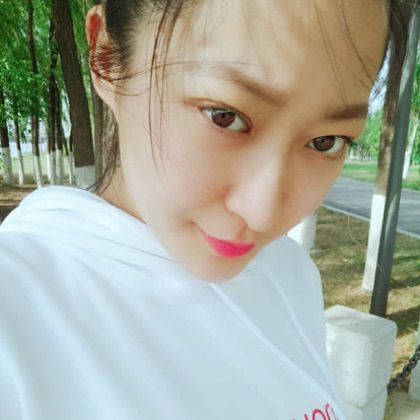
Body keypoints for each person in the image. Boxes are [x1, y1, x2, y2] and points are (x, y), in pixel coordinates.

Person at [0, 0, 413, 419]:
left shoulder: (292, 272)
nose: (264, 215)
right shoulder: (16, 313)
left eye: (326, 142)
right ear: (107, 57)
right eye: (224, 116)